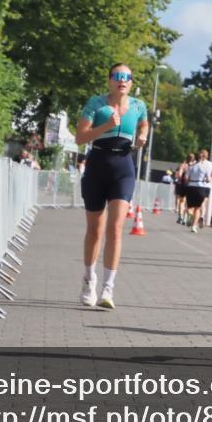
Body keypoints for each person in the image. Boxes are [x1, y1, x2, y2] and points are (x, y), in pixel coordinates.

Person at [75, 63, 149, 309]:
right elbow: (80, 137)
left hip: (123, 167)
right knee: (95, 230)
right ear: (109, 80)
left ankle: (108, 288)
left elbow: (144, 123)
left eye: (127, 77)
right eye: (117, 76)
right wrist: (106, 126)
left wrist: (143, 135)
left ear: (132, 82)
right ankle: (89, 280)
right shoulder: (96, 104)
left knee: (116, 228)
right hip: (97, 164)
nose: (122, 80)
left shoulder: (138, 105)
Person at [185, 149, 212, 233]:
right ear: (206, 156)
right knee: (198, 208)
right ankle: (194, 226)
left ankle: (190, 215)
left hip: (191, 186)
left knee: (190, 207)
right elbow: (208, 179)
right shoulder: (207, 166)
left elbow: (186, 178)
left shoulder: (191, 166)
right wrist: (207, 180)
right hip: (201, 187)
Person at [174, 153, 194, 225]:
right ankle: (187, 218)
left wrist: (180, 179)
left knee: (182, 201)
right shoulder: (194, 166)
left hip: (183, 184)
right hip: (192, 185)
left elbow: (179, 175)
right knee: (188, 203)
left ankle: (181, 216)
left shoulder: (183, 165)